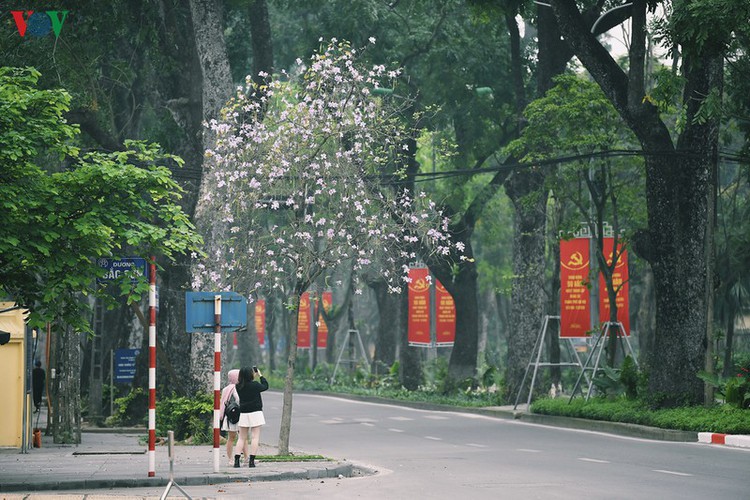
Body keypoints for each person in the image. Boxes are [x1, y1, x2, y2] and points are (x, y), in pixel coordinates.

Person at [235, 365, 268, 468]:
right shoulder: (255, 385)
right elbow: (265, 386)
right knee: (255, 437)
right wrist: (260, 375)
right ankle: (251, 461)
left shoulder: (238, 386)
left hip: (244, 413)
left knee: (241, 438)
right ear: (251, 374)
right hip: (256, 413)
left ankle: (236, 461)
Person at [219, 369, 241, 467]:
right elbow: (239, 400)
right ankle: (245, 458)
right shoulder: (237, 388)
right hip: (237, 416)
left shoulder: (226, 389)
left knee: (231, 438)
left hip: (228, 417)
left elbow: (223, 403)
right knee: (241, 438)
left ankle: (230, 459)